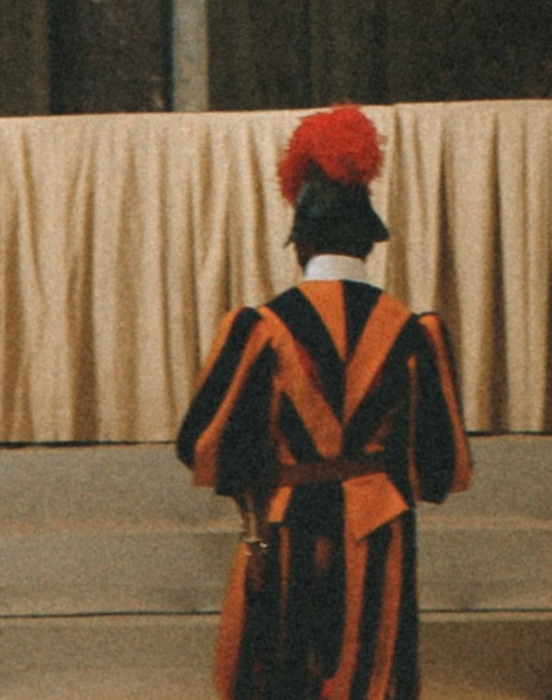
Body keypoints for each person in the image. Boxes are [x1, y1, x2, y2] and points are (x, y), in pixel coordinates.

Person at [176, 106, 472, 700]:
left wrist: (265, 478)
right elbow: (443, 468)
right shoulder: (413, 332)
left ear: (300, 242)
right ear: (370, 242)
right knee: (372, 677)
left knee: (284, 678)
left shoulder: (260, 327)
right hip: (379, 530)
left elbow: (201, 445)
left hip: (288, 526)